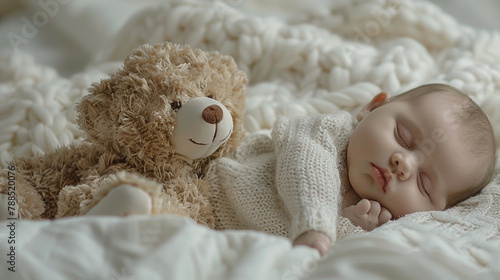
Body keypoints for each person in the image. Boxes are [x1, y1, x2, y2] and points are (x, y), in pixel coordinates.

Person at [207, 83, 497, 256]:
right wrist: (317, 227)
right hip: (205, 187)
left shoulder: (382, 227)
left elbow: (329, 260)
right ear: (372, 108)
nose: (404, 164)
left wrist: (351, 225)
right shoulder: (326, 133)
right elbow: (306, 169)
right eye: (403, 137)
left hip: (229, 248)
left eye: (424, 184)